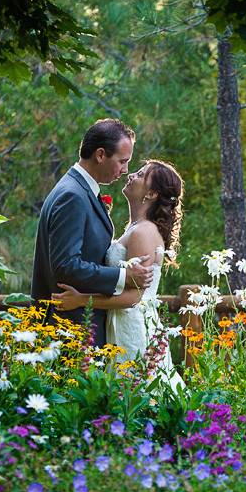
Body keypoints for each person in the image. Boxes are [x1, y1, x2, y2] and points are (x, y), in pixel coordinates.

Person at [51, 160, 185, 391]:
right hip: (119, 321)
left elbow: (134, 298)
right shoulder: (135, 227)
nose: (131, 175)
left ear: (151, 193)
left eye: (141, 175)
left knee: (135, 391)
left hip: (131, 325)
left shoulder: (143, 232)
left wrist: (81, 300)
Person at [31, 119, 154, 347]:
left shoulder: (78, 189)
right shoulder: (73, 196)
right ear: (100, 155)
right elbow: (66, 265)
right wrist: (123, 277)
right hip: (69, 329)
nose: (125, 170)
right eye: (122, 161)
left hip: (79, 327)